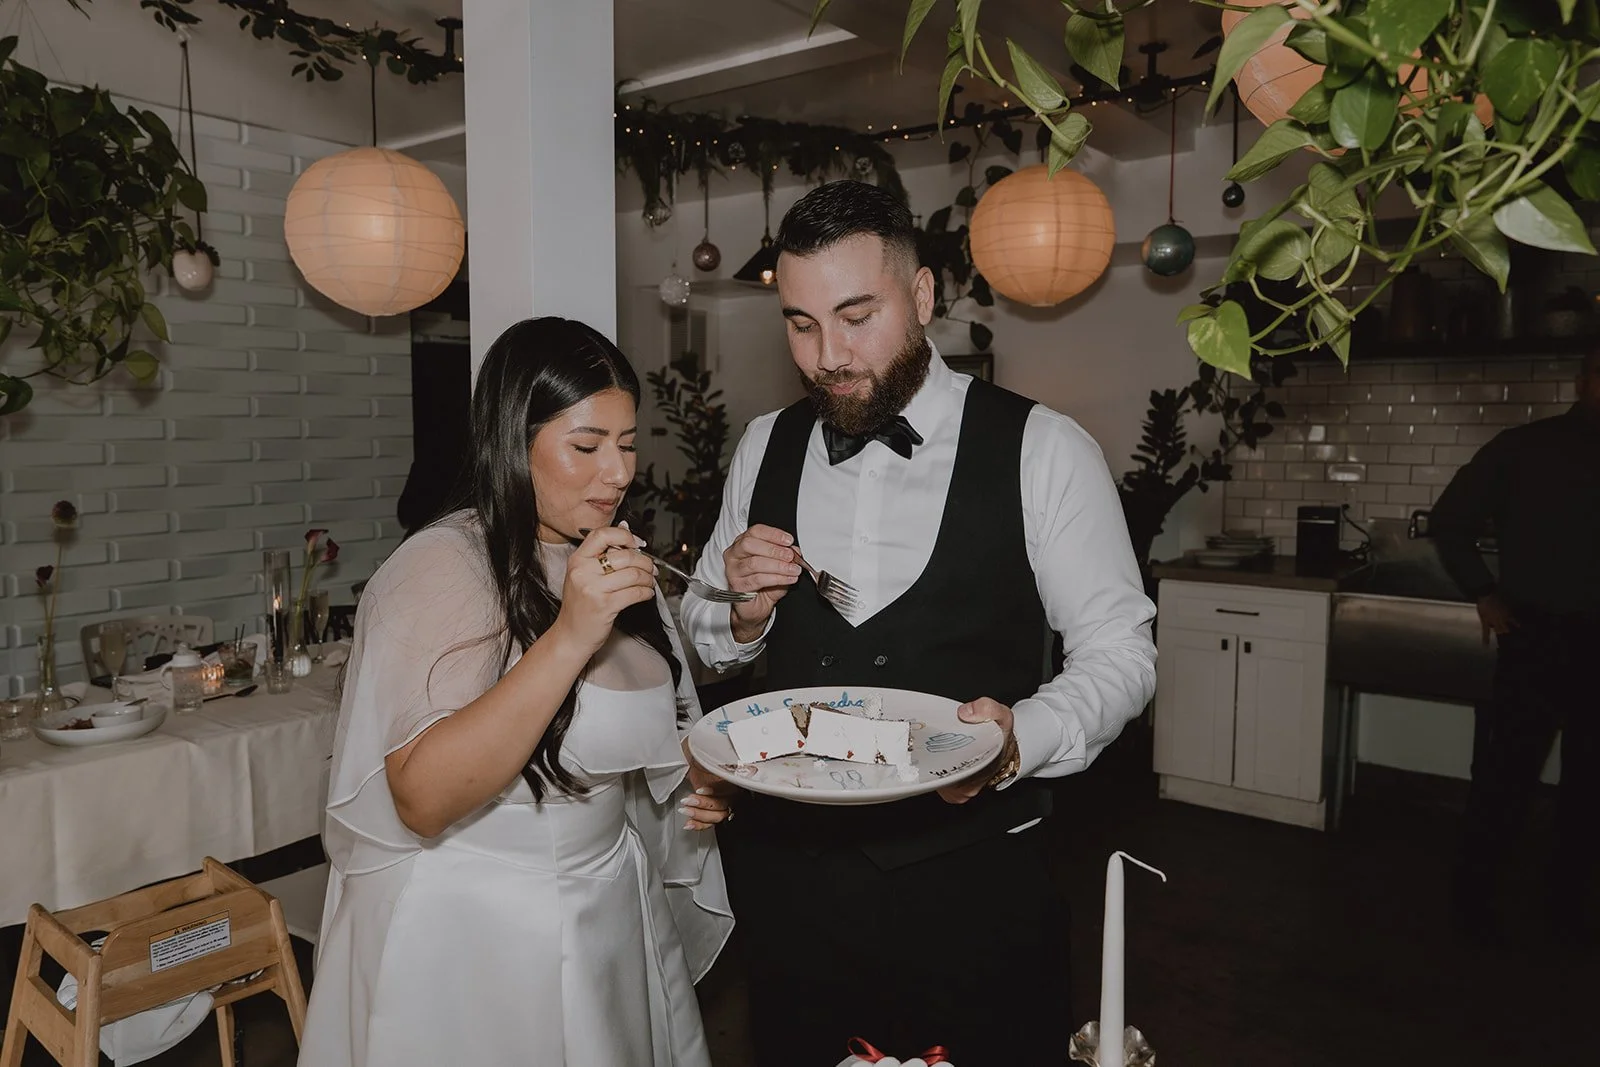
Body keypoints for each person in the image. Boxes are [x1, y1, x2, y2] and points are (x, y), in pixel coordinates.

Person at [680, 181, 1157, 1065]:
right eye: (801, 323)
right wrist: (740, 610)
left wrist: (1020, 739)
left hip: (973, 889)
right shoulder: (763, 446)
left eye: (856, 315)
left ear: (925, 295)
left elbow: (1122, 650)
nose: (828, 354)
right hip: (789, 888)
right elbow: (701, 635)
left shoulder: (1044, 449)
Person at [300, 318, 735, 1066]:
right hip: (487, 932)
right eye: (587, 445)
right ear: (512, 439)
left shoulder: (607, 554)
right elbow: (422, 796)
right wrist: (569, 636)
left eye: (628, 443)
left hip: (612, 912)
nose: (619, 472)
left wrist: (698, 781)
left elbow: (638, 735)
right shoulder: (443, 568)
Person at [1433, 347, 1600, 944]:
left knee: (1588, 789)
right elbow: (1449, 521)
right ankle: (1472, 908)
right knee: (1507, 778)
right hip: (1537, 636)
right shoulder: (1525, 447)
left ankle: (1567, 910)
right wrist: (1483, 591)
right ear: (1583, 380)